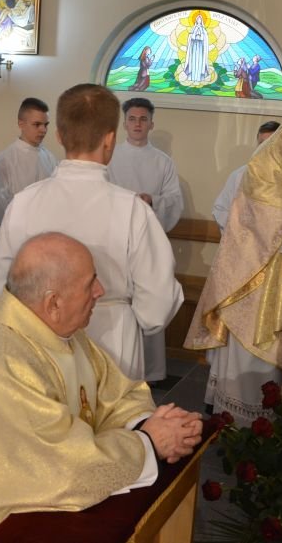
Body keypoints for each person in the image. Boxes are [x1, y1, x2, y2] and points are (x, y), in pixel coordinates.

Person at [0, 233, 202, 543]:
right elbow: (63, 468)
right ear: (54, 302)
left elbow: (114, 393)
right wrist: (148, 443)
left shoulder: (57, 331)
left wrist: (150, 423)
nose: (100, 290)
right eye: (90, 283)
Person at [0, 84, 183, 381]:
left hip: (37, 345)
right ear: (110, 139)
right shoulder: (133, 210)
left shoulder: (24, 202)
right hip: (113, 346)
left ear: (59, 136)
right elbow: (157, 305)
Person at [183, 92, 282, 424]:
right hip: (259, 278)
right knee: (253, 360)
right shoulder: (273, 155)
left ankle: (264, 430)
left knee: (274, 368)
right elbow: (268, 217)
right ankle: (244, 429)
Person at [107, 97, 184, 383]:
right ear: (124, 123)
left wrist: (153, 200)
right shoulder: (110, 156)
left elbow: (174, 200)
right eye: (132, 119)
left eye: (143, 119)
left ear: (151, 123)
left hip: (148, 243)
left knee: (148, 300)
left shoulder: (163, 162)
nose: (137, 124)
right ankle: (116, 367)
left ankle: (150, 371)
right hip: (115, 243)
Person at [0, 97, 57, 223]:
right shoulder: (4, 161)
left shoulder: (50, 158)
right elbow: (1, 207)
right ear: (21, 124)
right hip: (18, 227)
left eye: (46, 125)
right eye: (37, 124)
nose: (43, 130)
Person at [211, 120, 280, 233]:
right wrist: (238, 229)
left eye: (269, 143)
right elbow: (220, 209)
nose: (264, 148)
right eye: (261, 144)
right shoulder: (239, 175)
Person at [184, 13, 210, 84]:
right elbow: (190, 37)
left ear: (201, 21)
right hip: (194, 49)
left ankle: (199, 78)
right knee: (193, 63)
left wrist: (201, 36)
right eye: (197, 19)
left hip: (201, 49)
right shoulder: (194, 28)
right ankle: (192, 77)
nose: (199, 20)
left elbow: (205, 39)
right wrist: (194, 35)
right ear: (196, 20)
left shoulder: (203, 29)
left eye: (200, 19)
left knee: (200, 63)